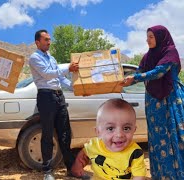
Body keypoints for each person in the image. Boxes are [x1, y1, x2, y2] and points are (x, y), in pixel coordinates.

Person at [121, 25, 184, 179]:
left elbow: (159, 72)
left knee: (173, 134)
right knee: (157, 137)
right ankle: (162, 174)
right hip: (153, 103)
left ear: (160, 37)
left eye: (151, 36)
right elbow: (139, 73)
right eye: (147, 36)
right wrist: (122, 81)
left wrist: (135, 78)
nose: (147, 40)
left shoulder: (170, 52)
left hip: (169, 99)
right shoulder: (147, 57)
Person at [28, 29, 80, 180]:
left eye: (49, 39)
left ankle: (71, 168)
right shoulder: (34, 57)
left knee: (65, 133)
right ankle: (47, 171)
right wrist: (68, 68)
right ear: (37, 42)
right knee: (48, 134)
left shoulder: (52, 57)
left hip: (59, 97)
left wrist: (75, 87)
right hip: (46, 97)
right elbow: (48, 73)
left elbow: (59, 78)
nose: (49, 42)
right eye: (45, 40)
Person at [71, 98, 146, 179]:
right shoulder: (94, 145)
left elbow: (139, 176)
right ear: (98, 132)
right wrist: (77, 166)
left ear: (134, 130)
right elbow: (84, 154)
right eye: (110, 128)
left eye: (126, 128)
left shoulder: (135, 153)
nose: (119, 135)